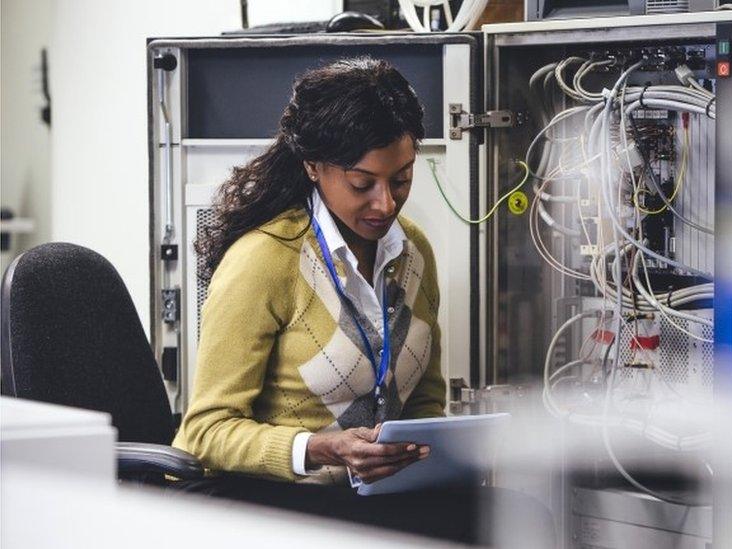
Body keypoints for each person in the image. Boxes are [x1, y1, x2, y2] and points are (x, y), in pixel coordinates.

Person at [172, 57, 554, 547]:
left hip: (369, 492)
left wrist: (431, 451)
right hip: (272, 492)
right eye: (362, 184)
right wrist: (320, 448)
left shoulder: (412, 251)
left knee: (520, 518)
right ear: (313, 166)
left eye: (401, 179)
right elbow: (206, 431)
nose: (386, 204)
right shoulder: (265, 259)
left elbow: (424, 401)